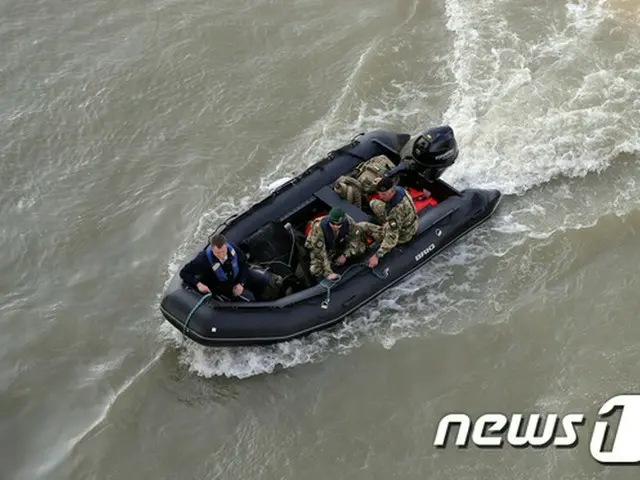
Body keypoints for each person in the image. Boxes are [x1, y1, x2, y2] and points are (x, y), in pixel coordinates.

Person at [179, 233, 271, 301]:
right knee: (247, 301)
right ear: (212, 249)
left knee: (262, 280)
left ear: (226, 246)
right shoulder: (203, 259)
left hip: (237, 276)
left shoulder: (233, 249)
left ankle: (261, 298)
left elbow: (243, 264)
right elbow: (184, 272)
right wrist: (198, 284)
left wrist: (241, 283)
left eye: (223, 251)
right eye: (217, 253)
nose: (221, 255)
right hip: (222, 284)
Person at [358, 177, 419, 268]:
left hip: (403, 234)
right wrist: (381, 182)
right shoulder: (400, 190)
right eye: (380, 194)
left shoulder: (395, 212)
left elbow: (392, 237)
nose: (381, 197)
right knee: (374, 203)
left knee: (362, 226)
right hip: (410, 221)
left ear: (391, 192)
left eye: (383, 194)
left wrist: (377, 255)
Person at [304, 207, 367, 280]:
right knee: (315, 269)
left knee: (360, 248)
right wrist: (328, 273)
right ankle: (331, 265)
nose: (335, 226)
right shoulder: (319, 227)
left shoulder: (348, 221)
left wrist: (345, 255)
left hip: (337, 244)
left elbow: (355, 239)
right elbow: (320, 252)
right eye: (333, 224)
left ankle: (338, 260)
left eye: (338, 224)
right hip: (322, 249)